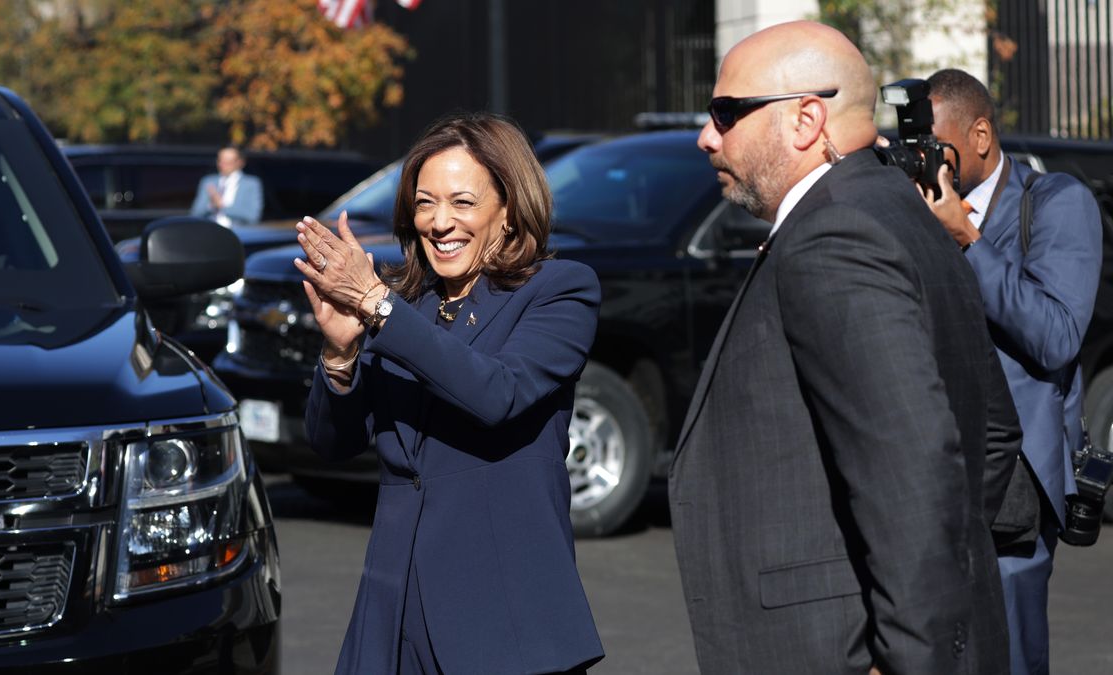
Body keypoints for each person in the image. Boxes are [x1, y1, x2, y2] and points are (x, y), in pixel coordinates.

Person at [668, 21, 1021, 674]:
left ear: (805, 120)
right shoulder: (897, 210)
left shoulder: (835, 234)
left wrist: (906, 654)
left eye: (725, 113)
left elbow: (915, 465)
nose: (706, 136)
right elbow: (994, 432)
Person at [292, 112, 604, 674]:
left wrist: (376, 307)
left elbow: (496, 394)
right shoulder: (404, 306)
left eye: (462, 202)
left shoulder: (558, 291)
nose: (440, 222)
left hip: (502, 619)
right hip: (393, 612)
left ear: (507, 213)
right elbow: (332, 443)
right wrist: (339, 356)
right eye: (424, 203)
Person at [920, 68, 1102, 675]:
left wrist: (967, 238)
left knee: (1010, 659)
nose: (929, 163)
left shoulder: (1055, 203)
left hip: (1014, 486)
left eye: (937, 148)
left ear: (979, 135)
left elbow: (1054, 336)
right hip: (928, 472)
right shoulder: (915, 211)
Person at [189, 146, 263, 227]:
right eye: (220, 161)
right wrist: (211, 206)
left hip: (238, 231)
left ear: (240, 162)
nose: (222, 165)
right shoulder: (208, 181)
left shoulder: (251, 183)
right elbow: (196, 213)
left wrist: (221, 206)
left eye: (228, 161)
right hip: (210, 229)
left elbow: (252, 216)